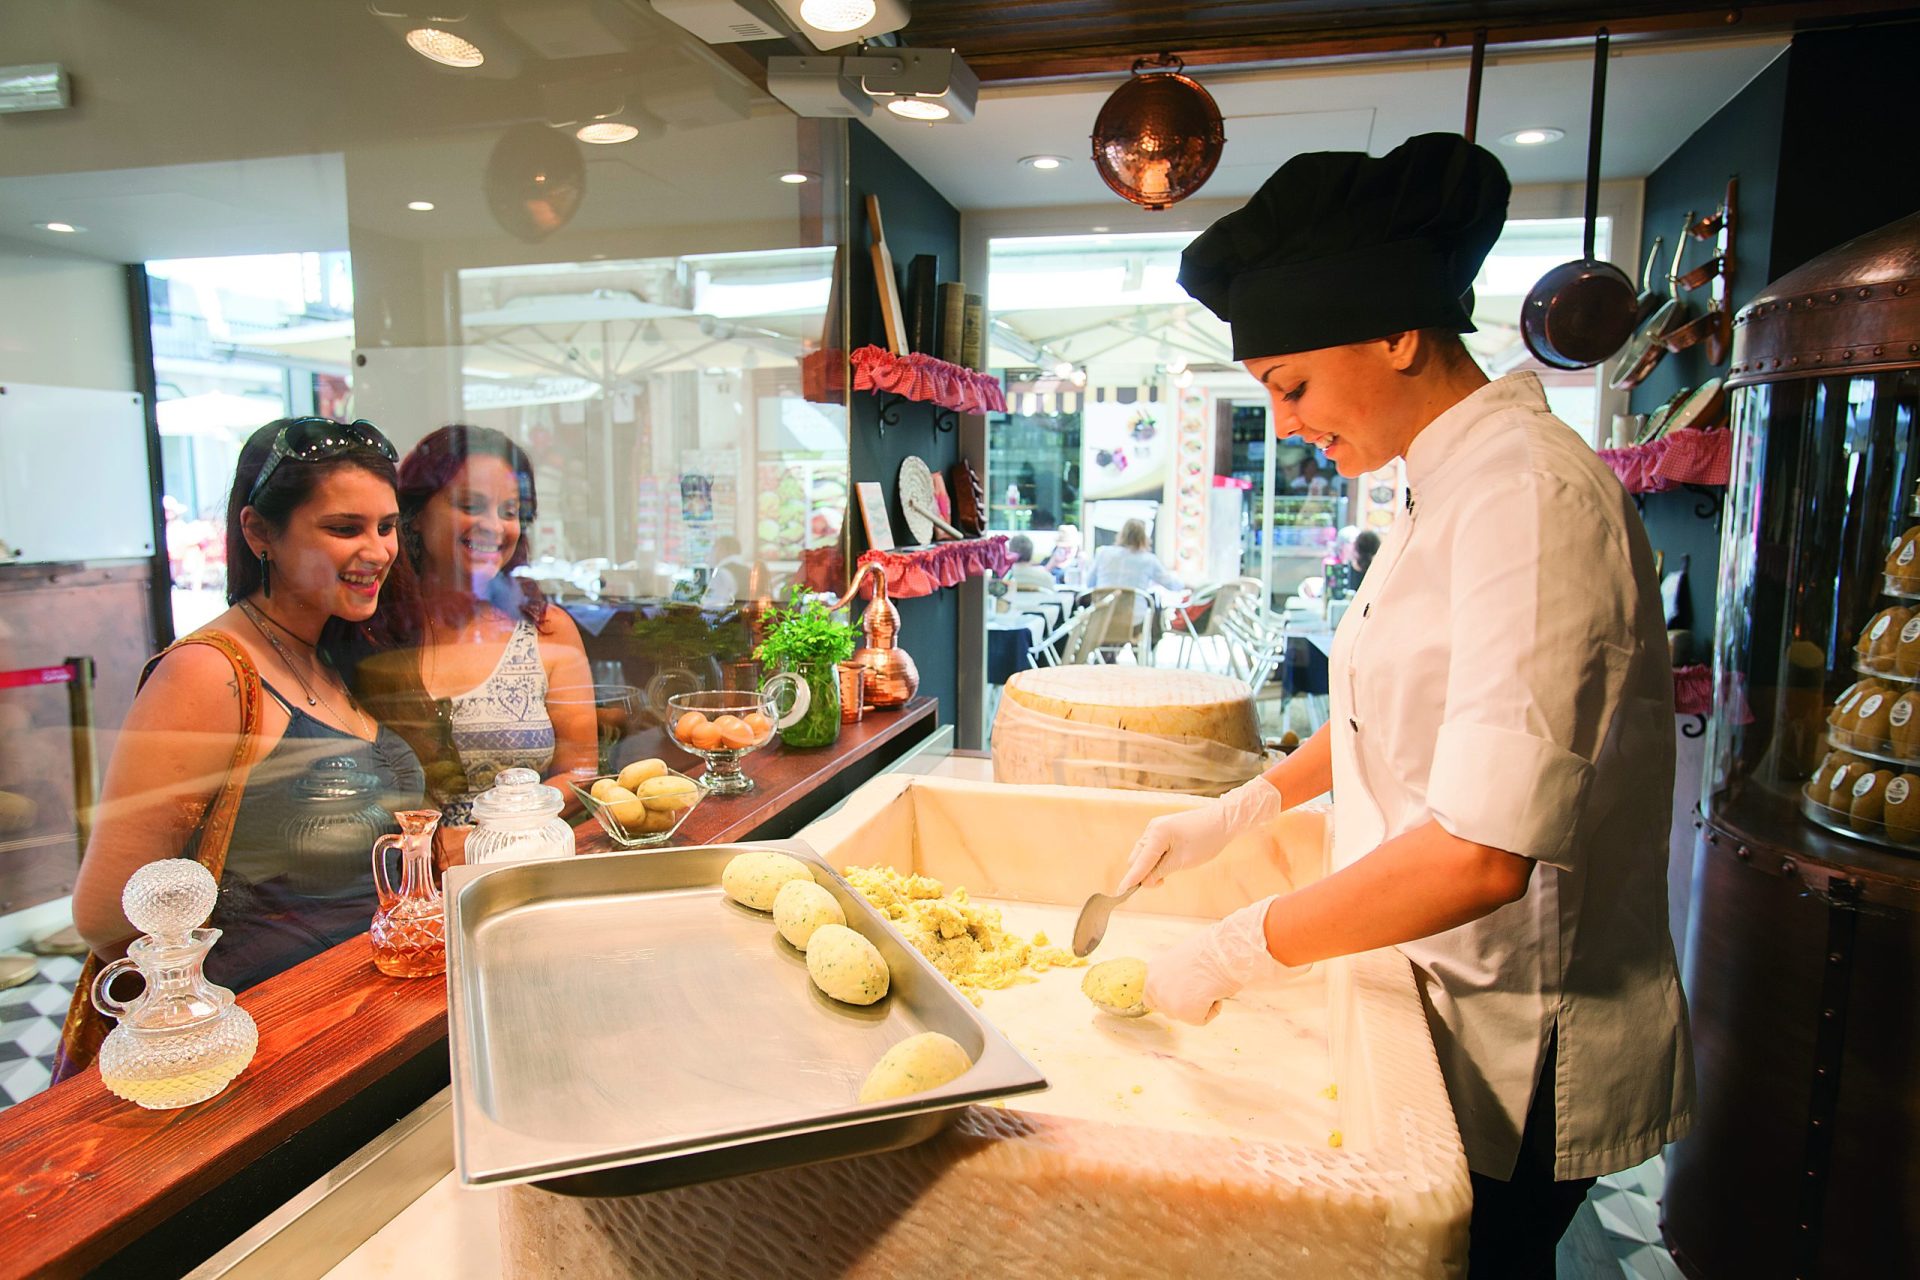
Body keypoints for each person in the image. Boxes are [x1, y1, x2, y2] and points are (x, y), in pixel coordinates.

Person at [1125, 133, 1692, 1278]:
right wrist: (1247, 806)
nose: (1284, 423)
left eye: (1290, 385)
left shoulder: (1527, 499)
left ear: (1395, 333)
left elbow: (1485, 852)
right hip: (1426, 986)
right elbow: (1399, 717)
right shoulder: (1443, 488)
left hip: (1513, 1031)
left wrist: (1243, 944)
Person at [71, 417, 425, 1001]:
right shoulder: (208, 673)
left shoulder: (328, 650)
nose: (379, 550)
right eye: (344, 528)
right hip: (275, 1029)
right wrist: (217, 1008)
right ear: (260, 532)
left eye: (387, 527)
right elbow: (109, 916)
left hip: (367, 1005)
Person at [372, 425, 597, 830]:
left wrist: (490, 832)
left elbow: (581, 771)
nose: (496, 525)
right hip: (397, 875)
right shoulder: (372, 628)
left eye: (510, 512)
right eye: (472, 505)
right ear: (416, 515)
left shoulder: (546, 630)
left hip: (515, 864)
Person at [1087, 518, 1183, 627]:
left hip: (1101, 620)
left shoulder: (1103, 553)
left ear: (1121, 534)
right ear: (1144, 537)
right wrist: (1187, 584)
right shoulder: (1148, 560)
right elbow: (1172, 585)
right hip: (1133, 622)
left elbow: (1089, 583)